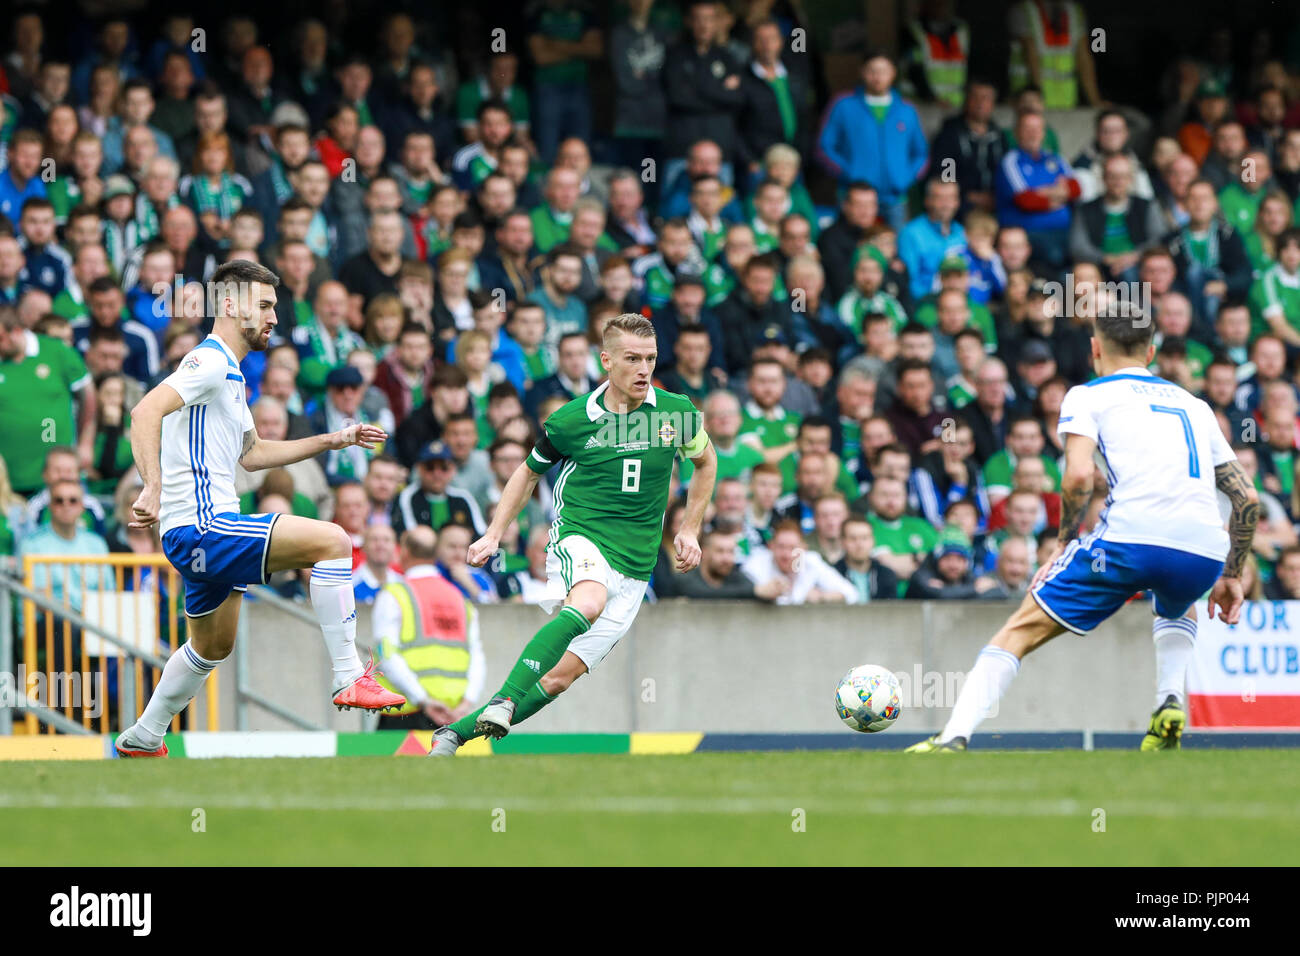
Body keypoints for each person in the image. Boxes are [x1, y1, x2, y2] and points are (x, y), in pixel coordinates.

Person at [909, 305, 1258, 753]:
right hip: (1203, 548)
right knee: (1177, 604)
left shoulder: (1087, 395)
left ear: (1095, 348)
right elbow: (1246, 497)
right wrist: (1230, 574)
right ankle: (1169, 699)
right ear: (1151, 351)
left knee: (1018, 631)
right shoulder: (1196, 406)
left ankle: (952, 736)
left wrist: (1062, 543)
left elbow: (1076, 476)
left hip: (1130, 539)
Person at [113, 260, 405, 758]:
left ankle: (144, 735)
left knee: (212, 647)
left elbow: (253, 454)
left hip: (198, 535)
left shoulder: (231, 374)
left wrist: (335, 439)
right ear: (230, 305)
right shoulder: (207, 362)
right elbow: (144, 412)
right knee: (334, 541)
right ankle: (348, 676)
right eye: (265, 306)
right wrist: (152, 488)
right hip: (205, 526)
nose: (274, 318)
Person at [429, 313, 717, 755]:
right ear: (605, 361)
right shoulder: (572, 419)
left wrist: (691, 529)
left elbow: (706, 463)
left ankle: (454, 735)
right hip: (581, 535)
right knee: (587, 601)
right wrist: (493, 534)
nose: (644, 369)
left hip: (637, 565)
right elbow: (526, 474)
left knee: (557, 679)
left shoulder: (677, 413)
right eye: (632, 358)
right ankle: (505, 698)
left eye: (651, 359)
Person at [372, 526, 484, 730]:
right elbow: (476, 656)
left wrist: (423, 699)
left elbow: (387, 655)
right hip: (454, 713)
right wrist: (467, 702)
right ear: (435, 553)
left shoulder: (393, 596)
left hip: (404, 713)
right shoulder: (459, 599)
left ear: (403, 551)